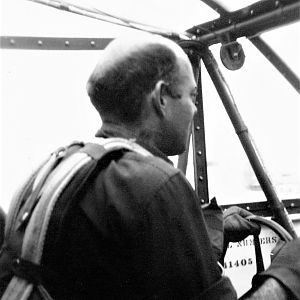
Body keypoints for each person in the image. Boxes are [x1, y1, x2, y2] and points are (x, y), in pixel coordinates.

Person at [2, 32, 300, 299]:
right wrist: (289, 271)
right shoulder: (155, 183)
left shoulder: (53, 170)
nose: (194, 109)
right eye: (191, 96)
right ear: (161, 98)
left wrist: (208, 235)